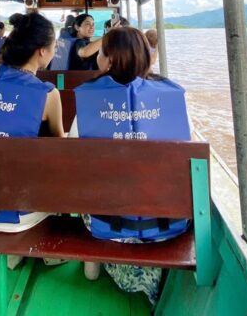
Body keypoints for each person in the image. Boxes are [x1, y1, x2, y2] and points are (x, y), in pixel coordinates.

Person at [72, 27, 191, 305]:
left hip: (106, 223)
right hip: (166, 224)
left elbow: (74, 162)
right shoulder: (172, 98)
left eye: (101, 52)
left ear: (109, 60)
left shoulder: (90, 100)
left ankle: (94, 261)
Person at [0, 12, 63, 234]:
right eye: (54, 46)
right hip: (17, 212)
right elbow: (60, 149)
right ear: (42, 51)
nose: (55, 51)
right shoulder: (47, 93)